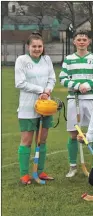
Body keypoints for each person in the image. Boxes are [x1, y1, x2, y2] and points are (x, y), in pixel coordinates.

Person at [59, 30, 93, 177]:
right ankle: (73, 166)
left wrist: (87, 85)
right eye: (79, 39)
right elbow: (63, 78)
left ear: (89, 42)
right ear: (74, 42)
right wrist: (78, 86)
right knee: (73, 133)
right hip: (74, 99)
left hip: (91, 99)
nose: (82, 42)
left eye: (85, 39)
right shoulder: (69, 59)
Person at [15, 32, 57, 184]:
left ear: (43, 46)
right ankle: (24, 174)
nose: (37, 49)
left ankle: (40, 171)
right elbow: (19, 82)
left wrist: (47, 91)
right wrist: (40, 90)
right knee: (26, 141)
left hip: (45, 106)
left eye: (40, 46)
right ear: (28, 46)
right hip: (27, 107)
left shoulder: (47, 59)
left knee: (42, 140)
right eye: (34, 46)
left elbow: (52, 78)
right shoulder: (21, 60)